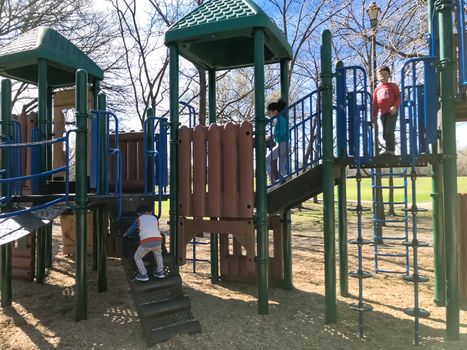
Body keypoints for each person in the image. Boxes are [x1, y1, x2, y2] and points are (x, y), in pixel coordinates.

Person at [123, 205, 165, 282]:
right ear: (151, 212)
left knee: (137, 257)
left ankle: (143, 274)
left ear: (138, 214)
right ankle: (160, 272)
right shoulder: (155, 218)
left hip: (147, 241)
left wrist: (127, 235)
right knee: (158, 254)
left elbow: (131, 230)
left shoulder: (139, 219)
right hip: (158, 240)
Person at [372, 66, 401, 155]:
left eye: (385, 74)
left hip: (391, 112)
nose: (383, 76)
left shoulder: (392, 86)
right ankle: (388, 150)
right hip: (383, 114)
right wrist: (374, 115)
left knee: (389, 131)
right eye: (380, 75)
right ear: (377, 77)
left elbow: (398, 97)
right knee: (385, 133)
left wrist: (395, 107)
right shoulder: (377, 89)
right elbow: (375, 103)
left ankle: (391, 150)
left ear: (389, 75)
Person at [266, 99, 288, 182]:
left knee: (265, 161)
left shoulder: (280, 119)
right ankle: (288, 182)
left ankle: (273, 182)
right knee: (281, 169)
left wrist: (273, 135)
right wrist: (273, 136)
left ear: (275, 112)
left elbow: (282, 132)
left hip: (282, 144)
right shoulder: (281, 119)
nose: (269, 115)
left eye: (269, 113)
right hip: (285, 145)